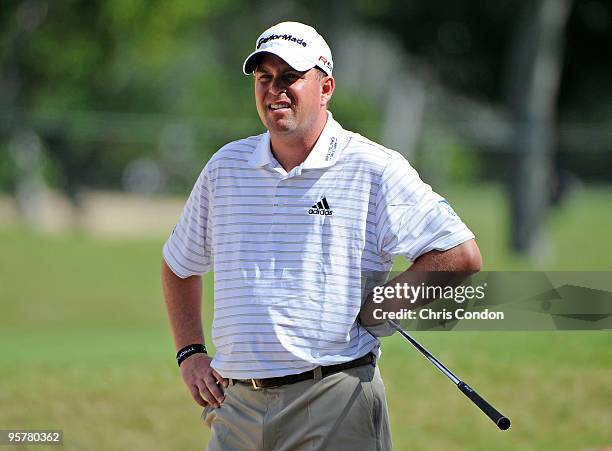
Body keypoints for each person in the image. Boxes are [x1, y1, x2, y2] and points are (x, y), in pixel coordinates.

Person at [161, 21, 481, 451]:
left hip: (334, 399)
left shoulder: (373, 167)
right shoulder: (226, 167)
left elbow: (459, 254)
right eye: (264, 78)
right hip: (235, 406)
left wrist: (377, 308)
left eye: (290, 77)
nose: (275, 90)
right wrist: (190, 353)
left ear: (325, 86)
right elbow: (180, 264)